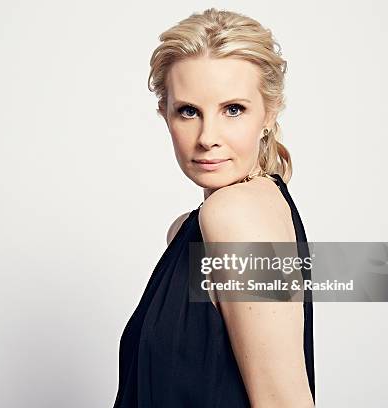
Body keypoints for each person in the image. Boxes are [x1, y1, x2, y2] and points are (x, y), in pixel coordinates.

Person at [113, 8, 315, 408]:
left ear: (269, 113)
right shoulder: (189, 228)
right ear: (164, 114)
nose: (208, 137)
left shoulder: (237, 215)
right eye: (188, 111)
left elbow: (282, 401)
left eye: (233, 110)